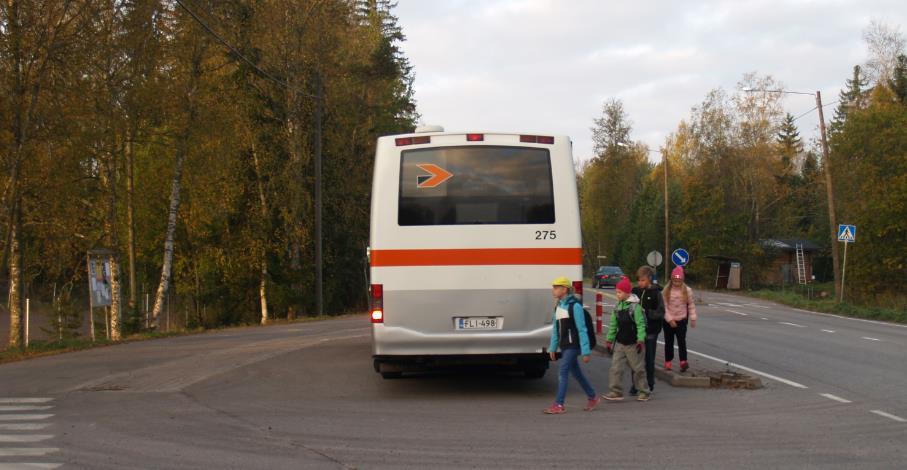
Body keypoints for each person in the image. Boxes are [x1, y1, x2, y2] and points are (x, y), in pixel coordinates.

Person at [543, 276, 599, 414]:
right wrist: (553, 347)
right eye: (553, 287)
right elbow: (556, 329)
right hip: (565, 345)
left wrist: (585, 351)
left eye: (556, 287)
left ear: (564, 289)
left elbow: (582, 329)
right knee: (576, 373)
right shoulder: (559, 306)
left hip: (573, 346)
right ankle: (592, 397)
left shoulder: (575, 306)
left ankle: (559, 404)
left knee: (562, 371)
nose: (553, 290)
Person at [602, 276, 651, 402]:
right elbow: (613, 325)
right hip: (620, 343)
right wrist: (609, 340)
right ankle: (616, 391)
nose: (617, 294)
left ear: (627, 293)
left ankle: (644, 391)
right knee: (616, 367)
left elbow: (641, 325)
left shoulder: (636, 307)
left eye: (619, 292)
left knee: (638, 369)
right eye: (617, 292)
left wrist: (641, 340)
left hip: (634, 344)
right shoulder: (617, 307)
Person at [630, 265, 664, 395]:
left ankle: (649, 383)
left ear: (649, 279)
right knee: (635, 360)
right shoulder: (635, 292)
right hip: (636, 331)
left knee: (649, 359)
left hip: (651, 331)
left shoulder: (656, 293)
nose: (640, 283)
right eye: (638, 280)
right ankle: (635, 385)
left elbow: (660, 312)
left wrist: (647, 313)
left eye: (643, 280)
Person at [663, 266, 697, 372]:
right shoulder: (666, 291)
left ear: (682, 280)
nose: (677, 283)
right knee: (669, 342)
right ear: (671, 280)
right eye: (675, 281)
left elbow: (691, 305)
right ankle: (668, 361)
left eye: (679, 281)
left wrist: (693, 317)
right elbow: (663, 307)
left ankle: (683, 361)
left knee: (681, 341)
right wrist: (670, 320)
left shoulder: (687, 290)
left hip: (681, 320)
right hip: (668, 321)